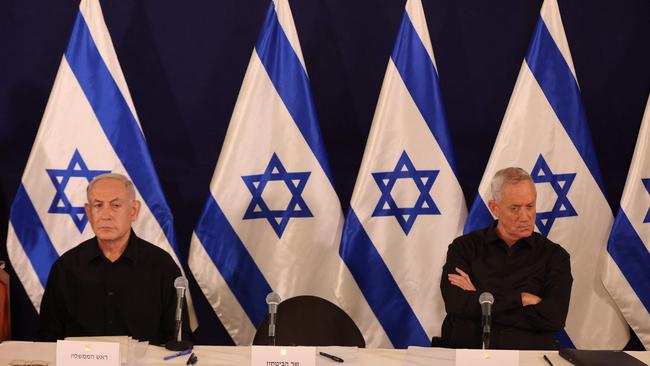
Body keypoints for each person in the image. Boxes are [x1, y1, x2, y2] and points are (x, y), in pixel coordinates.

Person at [38, 173, 185, 344]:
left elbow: (177, 338)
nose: (105, 215)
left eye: (115, 205)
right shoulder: (66, 267)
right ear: (88, 212)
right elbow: (48, 336)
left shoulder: (162, 266)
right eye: (98, 205)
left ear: (134, 210)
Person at [440, 167, 572, 350]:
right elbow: (455, 304)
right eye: (515, 208)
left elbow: (554, 318)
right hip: (468, 353)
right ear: (495, 208)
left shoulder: (555, 256)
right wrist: (522, 299)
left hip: (528, 359)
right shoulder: (464, 248)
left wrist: (481, 298)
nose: (525, 217)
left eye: (530, 206)